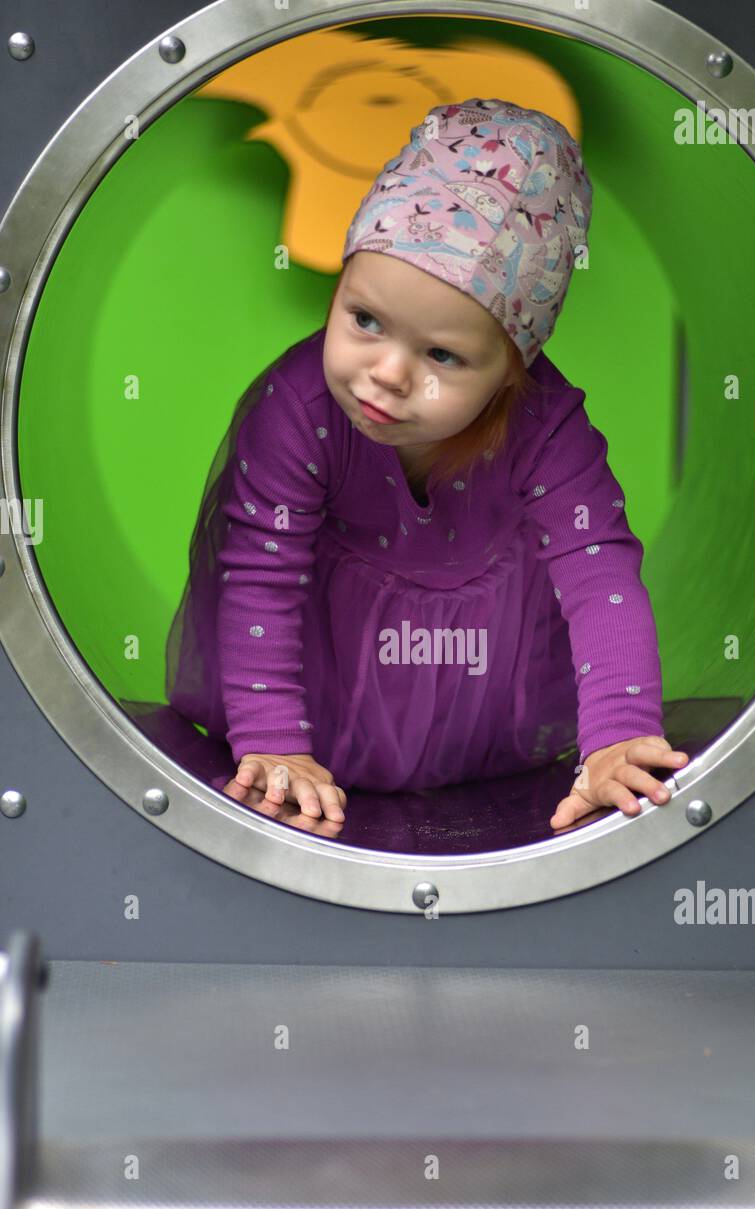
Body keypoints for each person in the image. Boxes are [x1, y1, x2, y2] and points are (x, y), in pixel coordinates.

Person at [166, 96, 689, 830]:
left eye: (442, 355)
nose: (386, 373)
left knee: (490, 777)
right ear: (340, 282)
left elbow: (597, 567)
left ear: (515, 365)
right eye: (364, 320)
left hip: (486, 684)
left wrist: (619, 731)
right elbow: (261, 571)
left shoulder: (544, 423)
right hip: (326, 678)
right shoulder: (299, 406)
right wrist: (275, 742)